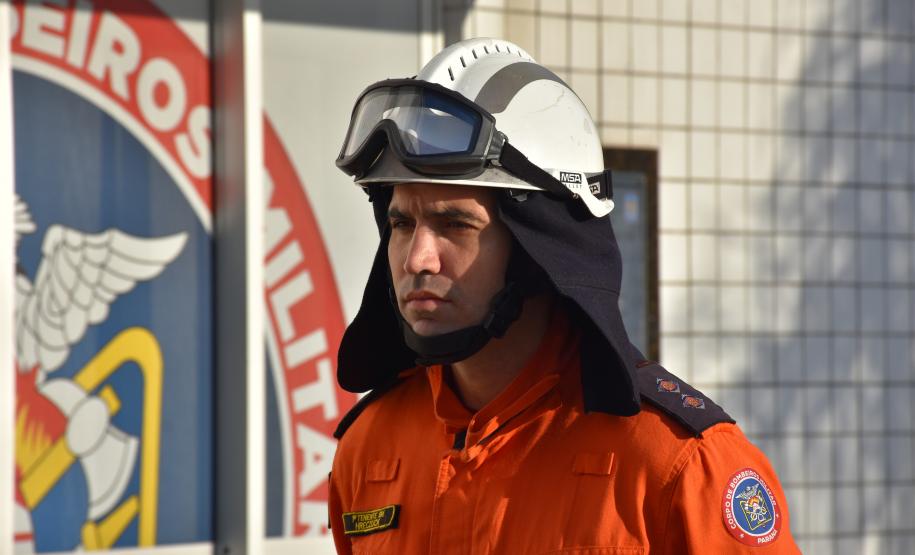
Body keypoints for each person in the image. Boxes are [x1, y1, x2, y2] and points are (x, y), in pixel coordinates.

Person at [328, 37, 798, 554]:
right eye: (401, 222)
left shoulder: (680, 465)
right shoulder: (368, 451)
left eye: (454, 224)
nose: (417, 258)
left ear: (539, 246)